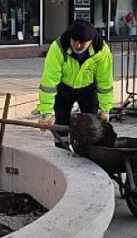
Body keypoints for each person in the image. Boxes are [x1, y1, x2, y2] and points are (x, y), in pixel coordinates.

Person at [37, 20, 114, 149]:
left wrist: (105, 109)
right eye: (74, 41)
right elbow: (48, 83)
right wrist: (45, 112)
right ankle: (62, 151)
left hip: (88, 90)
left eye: (82, 43)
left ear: (90, 41)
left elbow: (105, 82)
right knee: (61, 122)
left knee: (91, 125)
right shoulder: (58, 48)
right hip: (64, 90)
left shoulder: (101, 51)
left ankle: (87, 152)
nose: (77, 45)